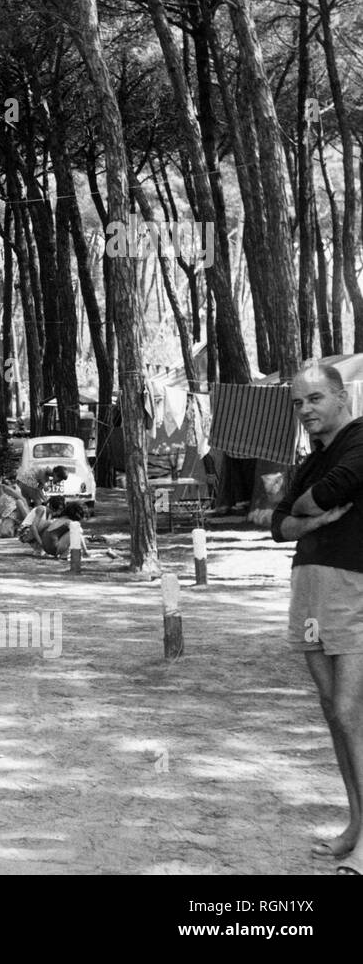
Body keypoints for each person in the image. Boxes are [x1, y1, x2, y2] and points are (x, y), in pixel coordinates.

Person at [271, 360, 363, 874]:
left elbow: (332, 490)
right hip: (308, 591)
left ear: (341, 395)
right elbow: (277, 524)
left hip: (350, 584)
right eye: (298, 402)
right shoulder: (312, 458)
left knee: (352, 709)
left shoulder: (358, 441)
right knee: (333, 708)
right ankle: (355, 824)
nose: (305, 409)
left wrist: (311, 512)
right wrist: (311, 517)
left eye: (314, 399)